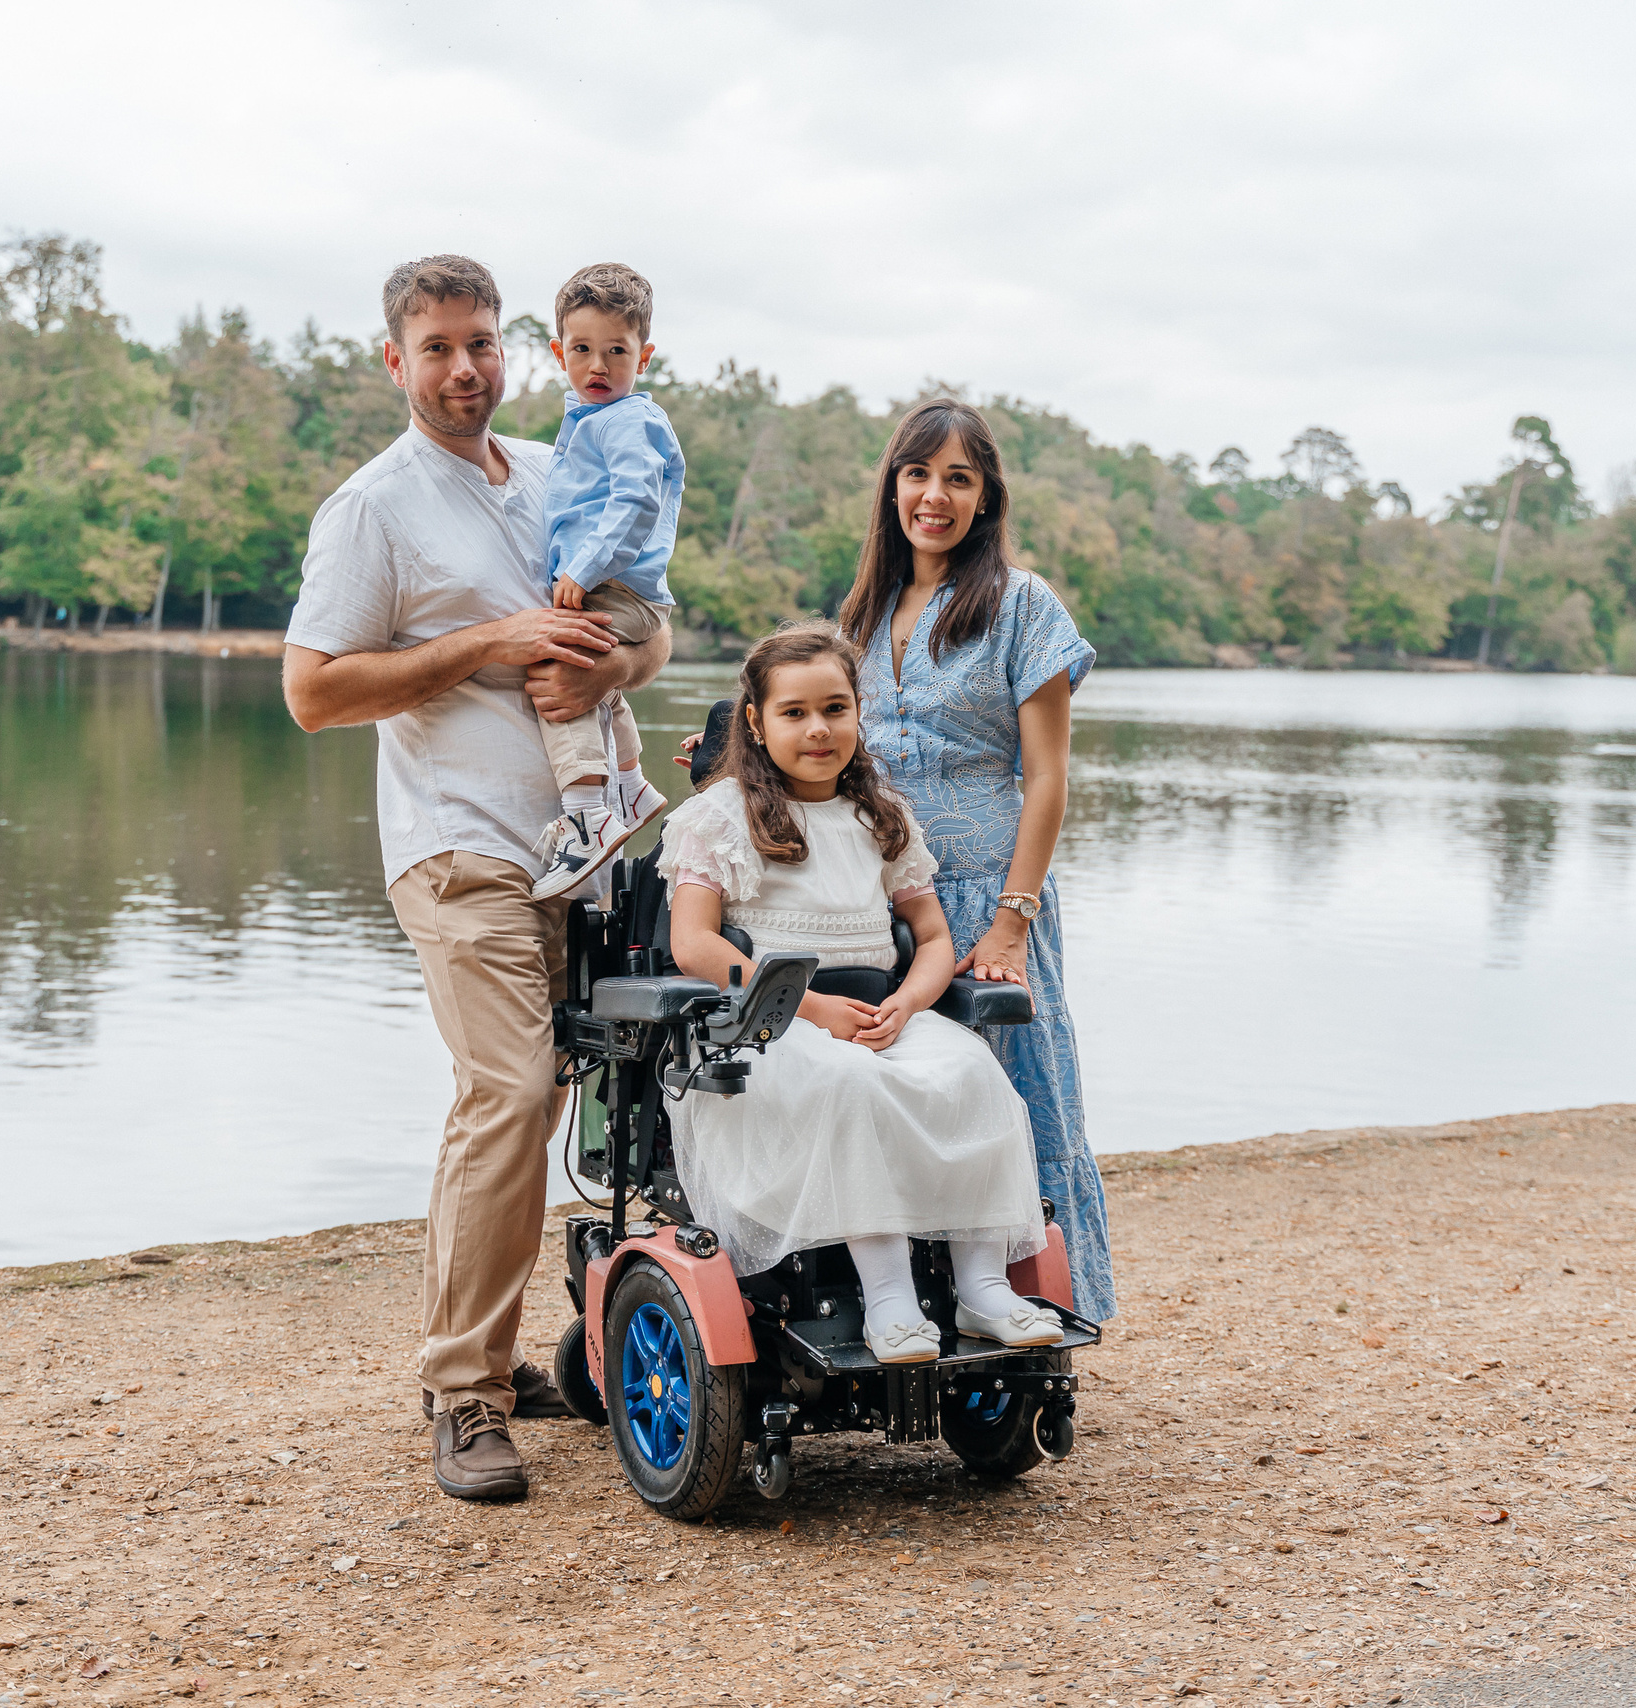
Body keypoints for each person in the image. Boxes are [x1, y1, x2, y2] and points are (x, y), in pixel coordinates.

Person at [282, 255, 673, 1502]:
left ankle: (524, 1353)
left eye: (483, 344)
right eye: (438, 347)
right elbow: (313, 692)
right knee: (507, 1090)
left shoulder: (566, 471)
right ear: (394, 362)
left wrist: (611, 669)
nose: (466, 369)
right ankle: (461, 1388)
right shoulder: (373, 508)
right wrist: (490, 644)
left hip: (584, 843)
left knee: (564, 1100)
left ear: (514, 354)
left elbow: (651, 625)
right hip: (456, 849)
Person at [660, 621, 1063, 1364]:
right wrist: (809, 1007)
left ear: (857, 712)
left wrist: (909, 1003)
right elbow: (694, 943)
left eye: (836, 709)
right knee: (846, 1084)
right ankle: (888, 1298)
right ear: (756, 721)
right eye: (794, 713)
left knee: (972, 1072)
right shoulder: (719, 817)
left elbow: (934, 939)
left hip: (882, 1009)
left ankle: (982, 1287)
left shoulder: (882, 815)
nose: (818, 729)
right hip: (768, 1023)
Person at [838, 397, 1116, 1322]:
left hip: (991, 899)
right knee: (908, 1102)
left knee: (1017, 1099)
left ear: (986, 495)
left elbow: (1047, 779)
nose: (935, 496)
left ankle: (1055, 1306)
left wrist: (1012, 916)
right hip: (888, 899)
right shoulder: (866, 610)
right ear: (893, 486)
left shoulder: (1021, 604)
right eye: (919, 474)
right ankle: (913, 1311)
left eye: (959, 478)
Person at [526, 263, 684, 901]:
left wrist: (580, 571)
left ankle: (588, 816)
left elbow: (635, 503)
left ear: (642, 356)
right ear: (559, 352)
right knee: (597, 678)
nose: (598, 365)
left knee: (556, 657)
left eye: (616, 351)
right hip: (619, 590)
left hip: (616, 588)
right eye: (583, 350)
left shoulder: (625, 420)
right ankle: (629, 782)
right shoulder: (588, 421)